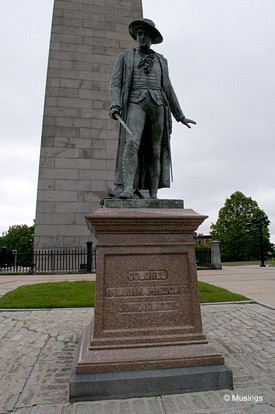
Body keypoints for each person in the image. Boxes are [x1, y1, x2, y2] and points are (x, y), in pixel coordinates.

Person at [109, 18, 196, 199]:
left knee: (155, 150)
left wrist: (180, 115)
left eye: (145, 34)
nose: (141, 37)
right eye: (139, 34)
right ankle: (127, 188)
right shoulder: (125, 57)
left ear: (152, 37)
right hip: (135, 102)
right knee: (131, 143)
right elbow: (115, 83)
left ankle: (154, 195)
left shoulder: (161, 61)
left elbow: (168, 88)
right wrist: (114, 104)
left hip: (158, 104)